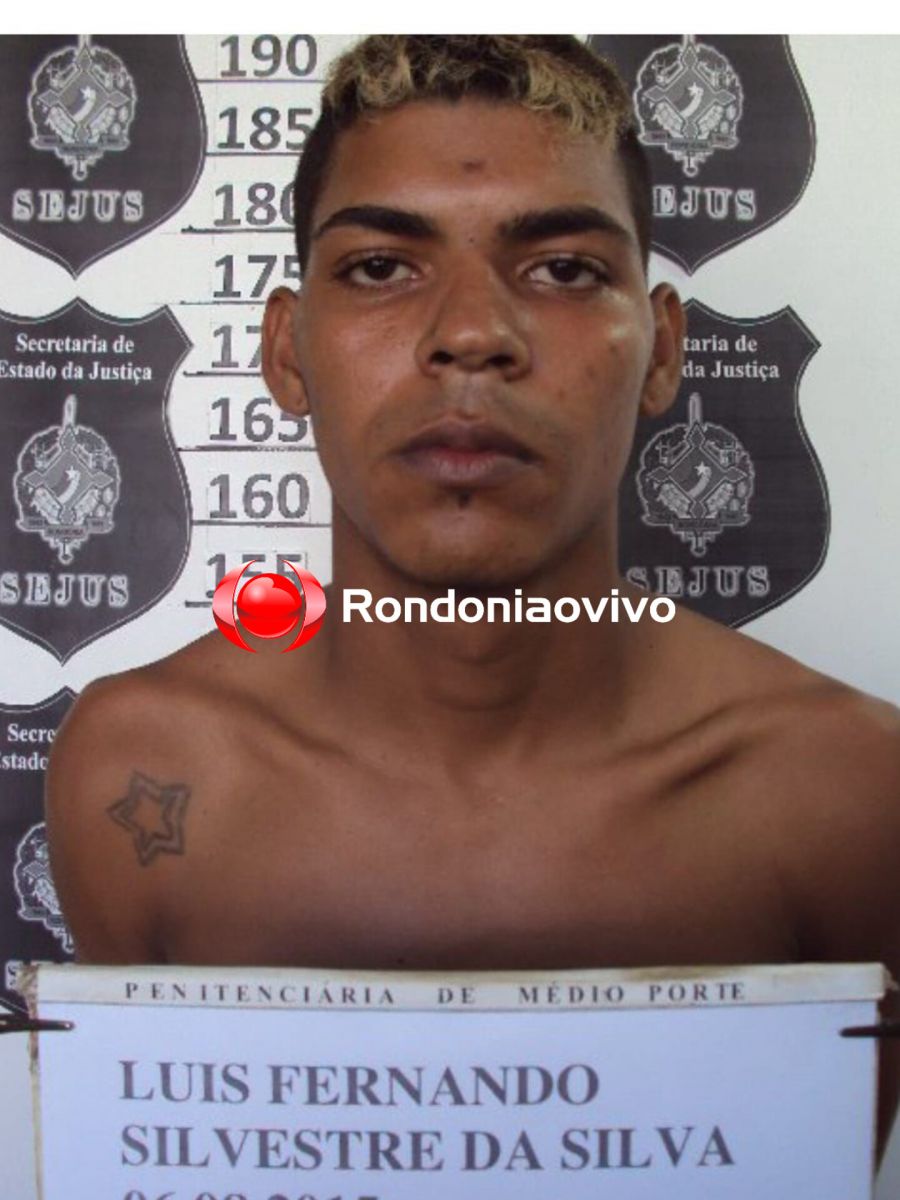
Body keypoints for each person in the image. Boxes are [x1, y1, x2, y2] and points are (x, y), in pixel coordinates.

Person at [45, 35, 900, 1159]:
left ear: (662, 350)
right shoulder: (140, 773)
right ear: (286, 352)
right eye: (380, 268)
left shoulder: (852, 796)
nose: (470, 335)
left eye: (564, 269)